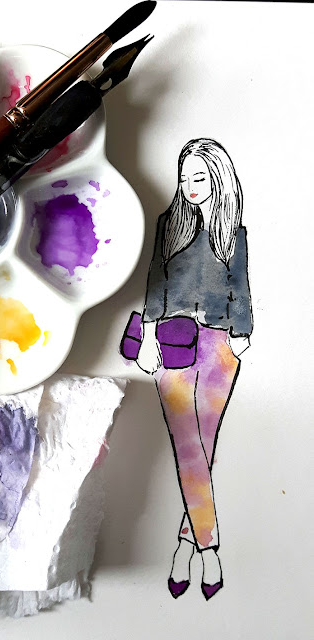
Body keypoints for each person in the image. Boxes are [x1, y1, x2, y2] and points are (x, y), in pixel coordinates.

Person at [137, 138, 252, 600]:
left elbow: (241, 286)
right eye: (184, 178)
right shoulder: (170, 225)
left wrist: (242, 332)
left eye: (199, 177)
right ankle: (209, 550)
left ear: (219, 179)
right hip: (173, 342)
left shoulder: (234, 233)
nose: (189, 187)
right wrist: (148, 336)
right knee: (188, 445)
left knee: (202, 447)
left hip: (222, 346)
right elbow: (154, 280)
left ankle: (185, 547)